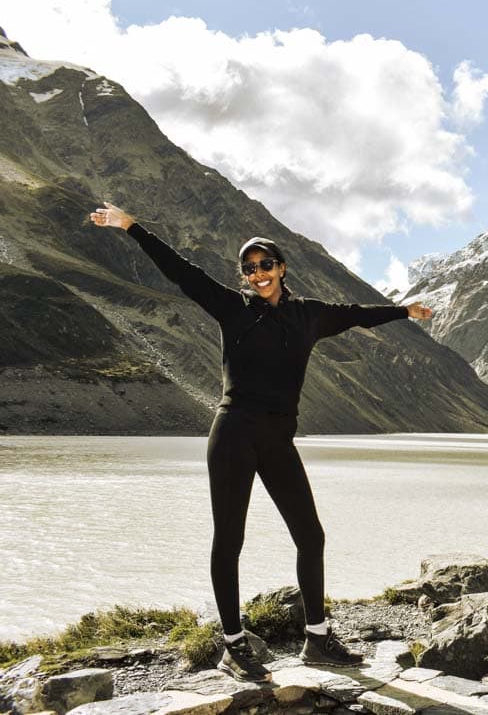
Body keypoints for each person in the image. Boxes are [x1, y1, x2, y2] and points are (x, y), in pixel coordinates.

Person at [89, 201, 432, 682]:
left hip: (277, 440)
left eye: (265, 265)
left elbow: (355, 314)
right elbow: (181, 273)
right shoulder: (232, 308)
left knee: (310, 535)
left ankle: (317, 638)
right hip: (233, 435)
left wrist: (404, 311)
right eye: (249, 269)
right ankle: (233, 644)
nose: (258, 274)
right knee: (229, 540)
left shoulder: (308, 315)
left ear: (282, 268)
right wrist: (131, 227)